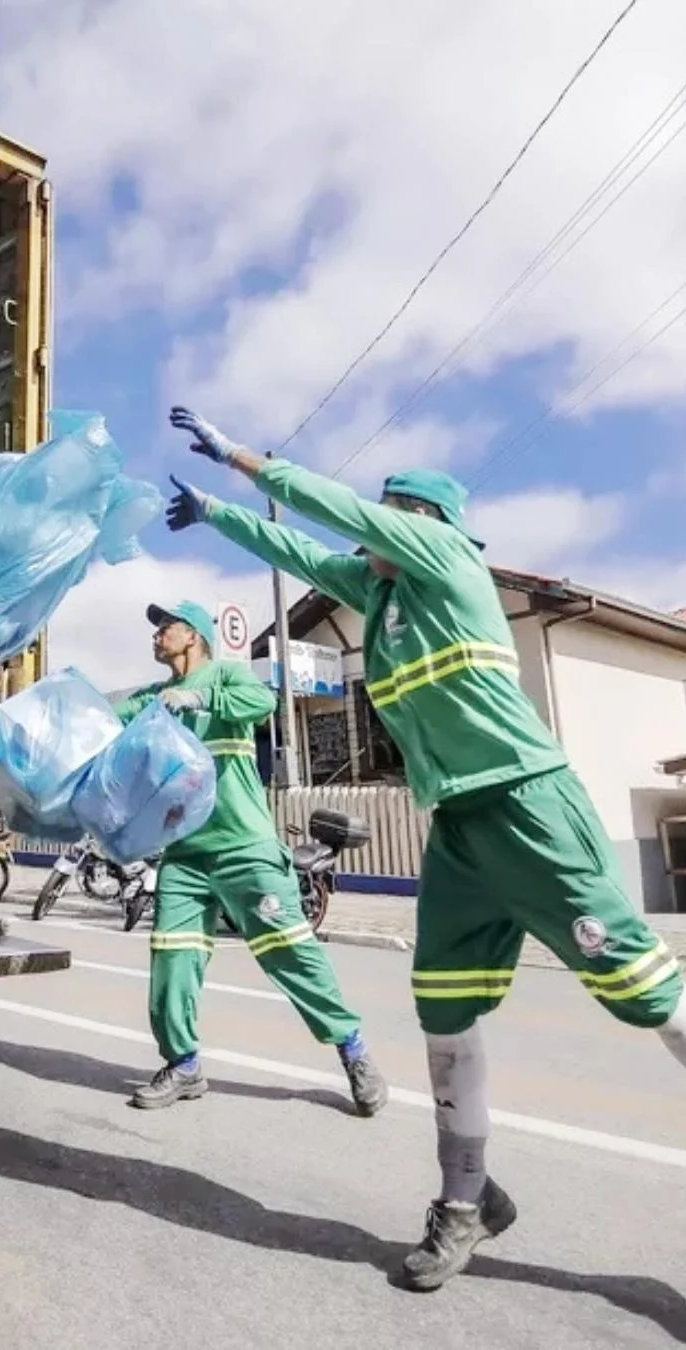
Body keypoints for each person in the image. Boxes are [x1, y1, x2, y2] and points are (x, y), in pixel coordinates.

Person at [162, 404, 686, 1291]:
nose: (372, 529)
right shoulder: (382, 596)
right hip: (457, 826)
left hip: (528, 804)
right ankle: (466, 1199)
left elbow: (336, 512)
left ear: (425, 521)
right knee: (442, 1008)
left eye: (391, 512)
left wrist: (244, 460)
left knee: (646, 994)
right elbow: (299, 550)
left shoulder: (449, 560)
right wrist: (216, 515)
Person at [114, 599, 389, 1117]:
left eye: (165, 627)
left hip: (245, 845)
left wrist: (198, 697)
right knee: (172, 959)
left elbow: (262, 703)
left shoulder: (228, 677)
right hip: (185, 855)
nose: (155, 635)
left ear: (193, 635)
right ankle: (183, 1065)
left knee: (291, 952)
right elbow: (107, 721)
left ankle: (353, 1050)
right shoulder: (153, 699)